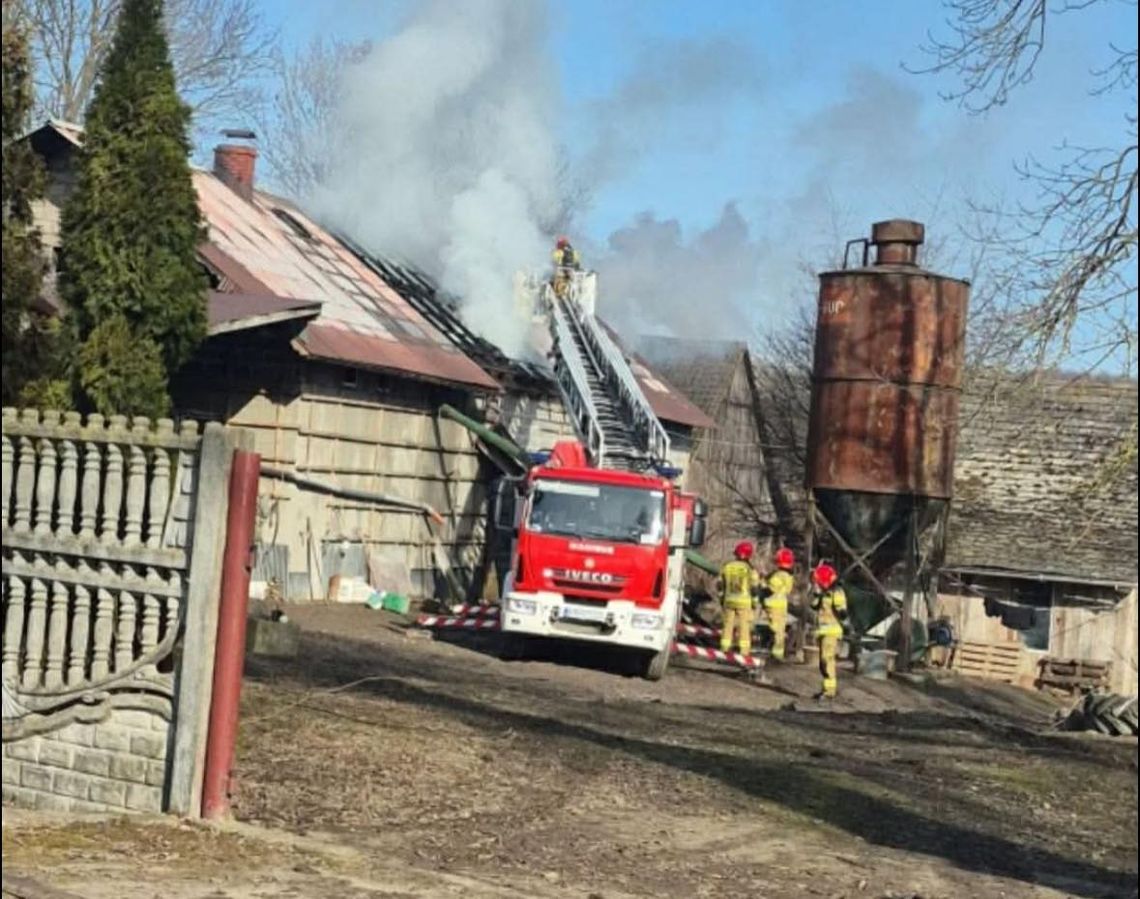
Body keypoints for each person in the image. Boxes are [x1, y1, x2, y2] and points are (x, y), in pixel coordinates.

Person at [810, 562, 848, 700]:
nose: (817, 584)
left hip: (831, 632)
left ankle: (830, 691)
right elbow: (813, 606)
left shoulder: (837, 592)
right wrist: (817, 594)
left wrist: (840, 609)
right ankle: (826, 689)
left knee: (827, 660)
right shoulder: (823, 593)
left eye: (818, 582)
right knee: (822, 662)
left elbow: (842, 612)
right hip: (823, 631)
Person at [717, 542, 761, 657]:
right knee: (744, 627)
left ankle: (724, 649)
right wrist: (755, 603)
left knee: (727, 625)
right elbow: (755, 589)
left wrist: (721, 598)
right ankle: (744, 652)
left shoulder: (727, 566)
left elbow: (720, 584)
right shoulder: (750, 570)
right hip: (744, 603)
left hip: (729, 601)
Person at [764, 547, 795, 661]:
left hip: (773, 605)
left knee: (776, 630)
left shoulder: (778, 575)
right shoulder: (788, 576)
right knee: (779, 630)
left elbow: (769, 589)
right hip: (781, 605)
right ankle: (778, 652)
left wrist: (761, 586)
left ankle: (776, 654)